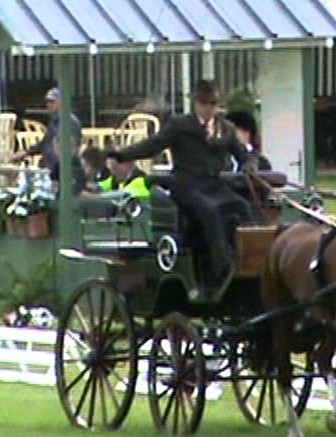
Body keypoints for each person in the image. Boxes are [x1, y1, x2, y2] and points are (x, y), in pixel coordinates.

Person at [110, 80, 256, 285]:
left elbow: (243, 154)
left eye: (212, 104)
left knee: (241, 206)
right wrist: (122, 154)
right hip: (186, 185)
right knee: (211, 209)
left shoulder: (225, 129)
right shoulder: (180, 125)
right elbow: (153, 145)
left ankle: (253, 259)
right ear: (195, 104)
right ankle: (222, 266)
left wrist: (250, 164)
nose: (208, 109)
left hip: (214, 184)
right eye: (204, 104)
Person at [13, 87, 82, 172]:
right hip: (46, 166)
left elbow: (70, 148)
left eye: (52, 102)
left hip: (59, 168)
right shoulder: (54, 120)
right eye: (47, 102)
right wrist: (26, 152)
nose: (48, 105)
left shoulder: (70, 122)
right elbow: (45, 143)